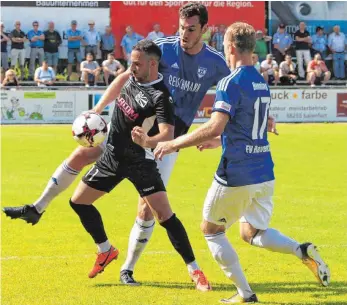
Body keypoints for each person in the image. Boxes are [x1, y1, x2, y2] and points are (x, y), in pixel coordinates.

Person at [3, 2, 231, 286]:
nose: (184, 34)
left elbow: (234, 100)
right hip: (130, 126)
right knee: (81, 153)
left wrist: (219, 138)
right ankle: (37, 208)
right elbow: (126, 77)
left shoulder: (216, 63)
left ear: (204, 30)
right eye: (182, 27)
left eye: (192, 29)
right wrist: (97, 111)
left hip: (167, 140)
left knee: (149, 209)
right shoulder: (162, 46)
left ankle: (128, 267)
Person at [153, 22, 330, 304]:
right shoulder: (260, 80)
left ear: (231, 47)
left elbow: (214, 126)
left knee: (211, 230)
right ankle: (301, 250)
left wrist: (172, 143)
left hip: (237, 173)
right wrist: (218, 142)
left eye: (224, 45)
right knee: (250, 232)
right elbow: (241, 127)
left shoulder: (230, 82)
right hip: (264, 172)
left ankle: (245, 294)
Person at [68, 39, 211, 291]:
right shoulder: (132, 78)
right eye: (130, 63)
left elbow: (168, 133)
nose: (131, 67)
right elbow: (117, 85)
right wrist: (96, 111)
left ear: (152, 64)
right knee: (78, 201)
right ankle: (105, 250)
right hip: (111, 157)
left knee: (164, 215)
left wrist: (147, 140)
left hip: (139, 163)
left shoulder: (161, 97)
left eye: (136, 63)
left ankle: (195, 269)